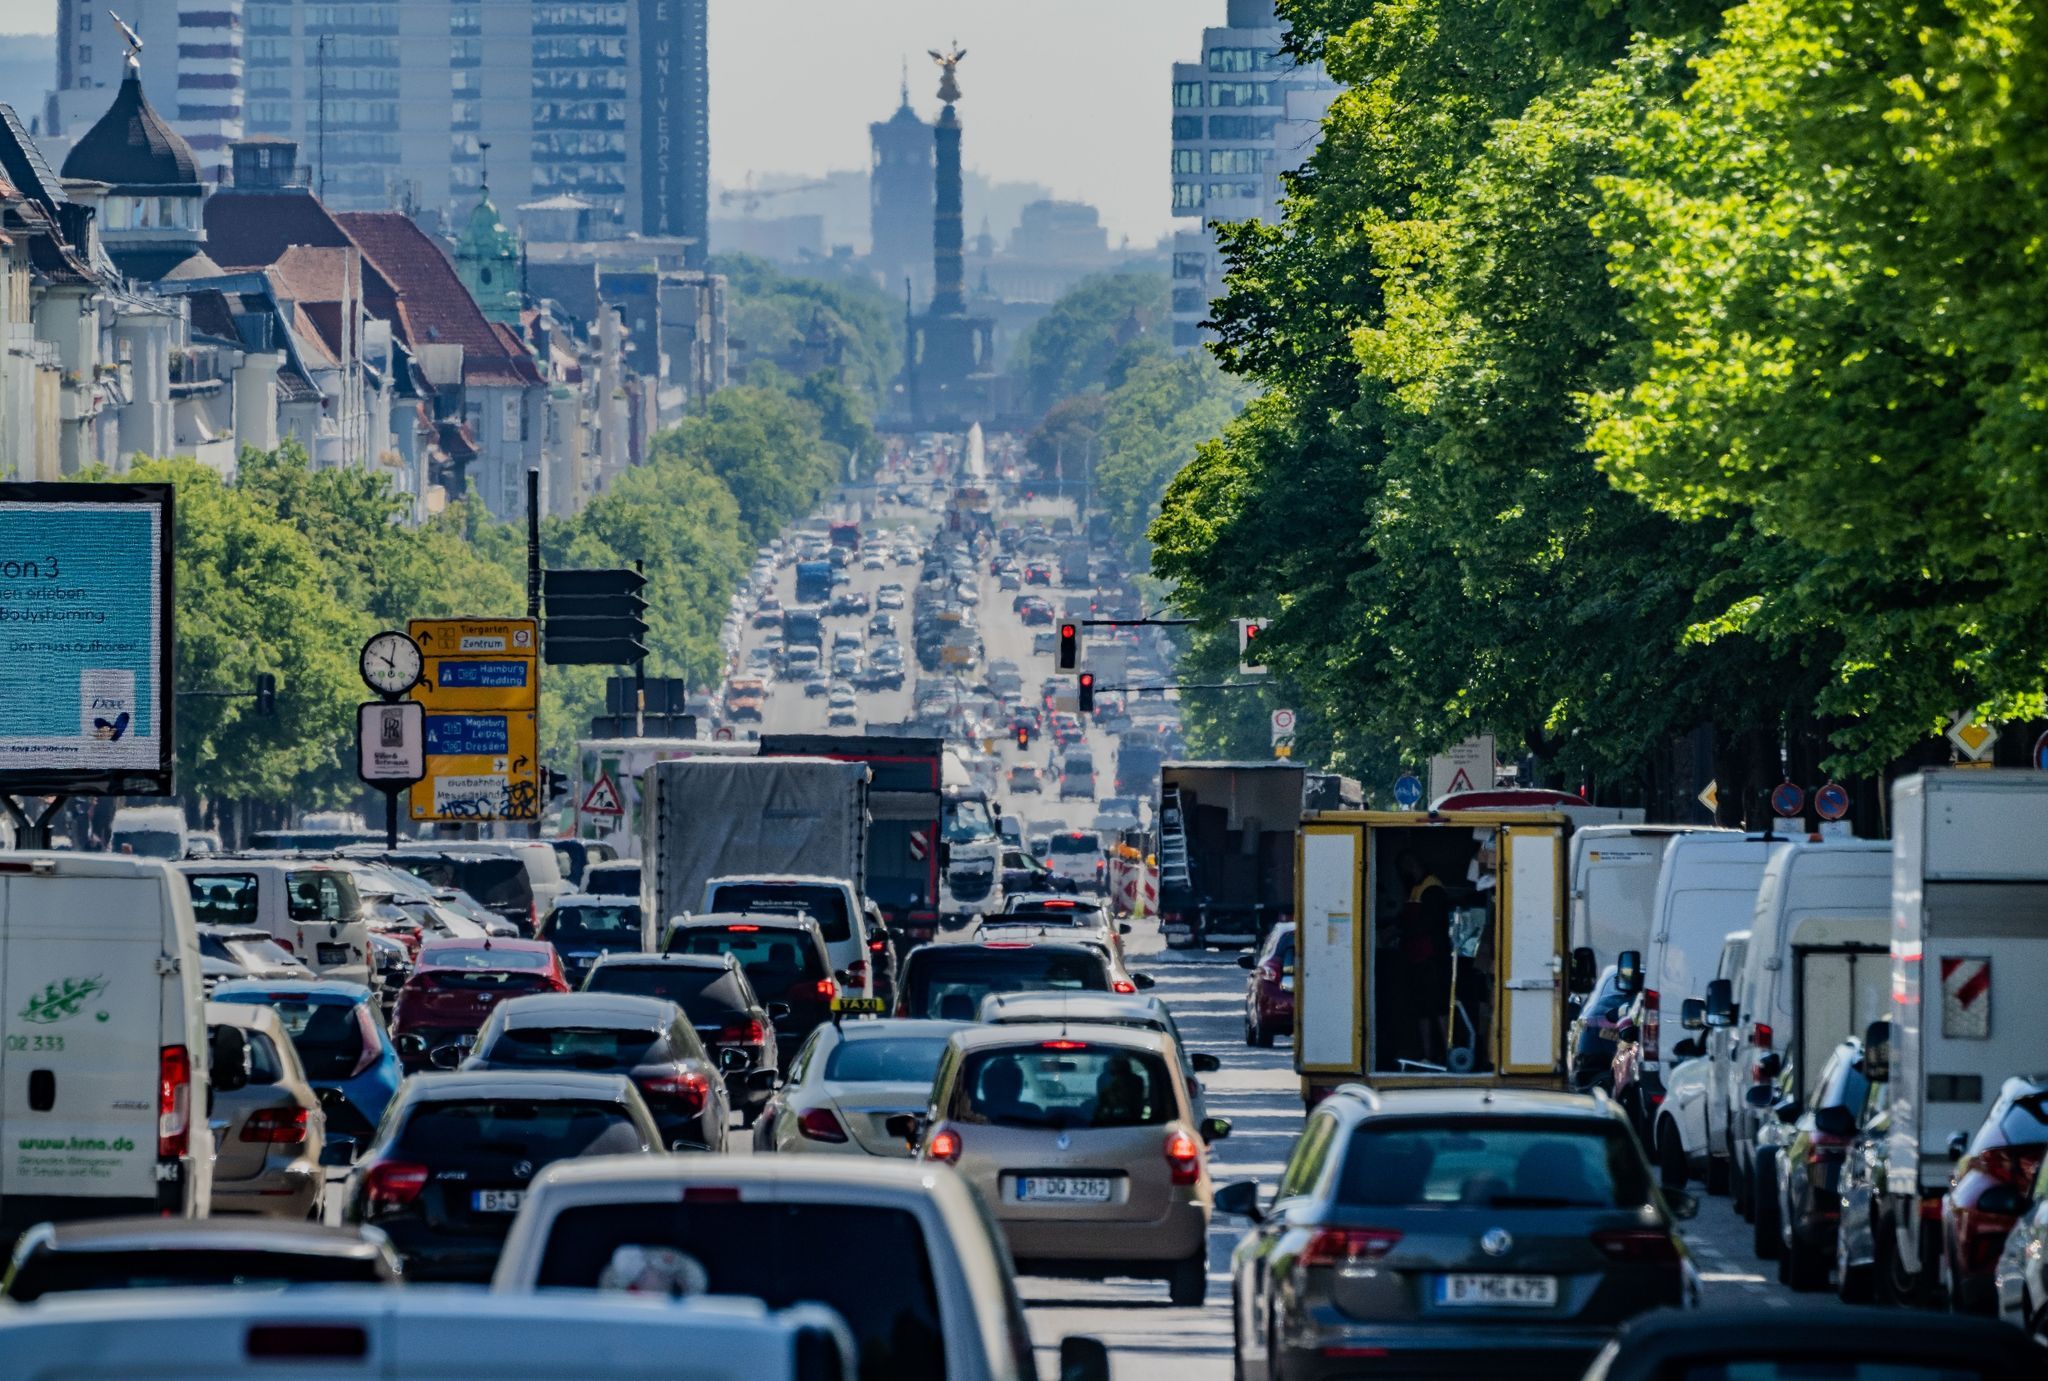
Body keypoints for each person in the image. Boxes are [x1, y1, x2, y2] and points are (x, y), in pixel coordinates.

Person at [1395, 852, 1452, 1065]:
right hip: (1418, 959)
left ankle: (1447, 1053)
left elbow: (1427, 925)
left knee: (1438, 1008)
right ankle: (1428, 1054)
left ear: (1412, 865)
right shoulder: (1416, 888)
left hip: (1432, 960)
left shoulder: (1432, 889)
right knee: (1422, 1010)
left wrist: (1400, 931)